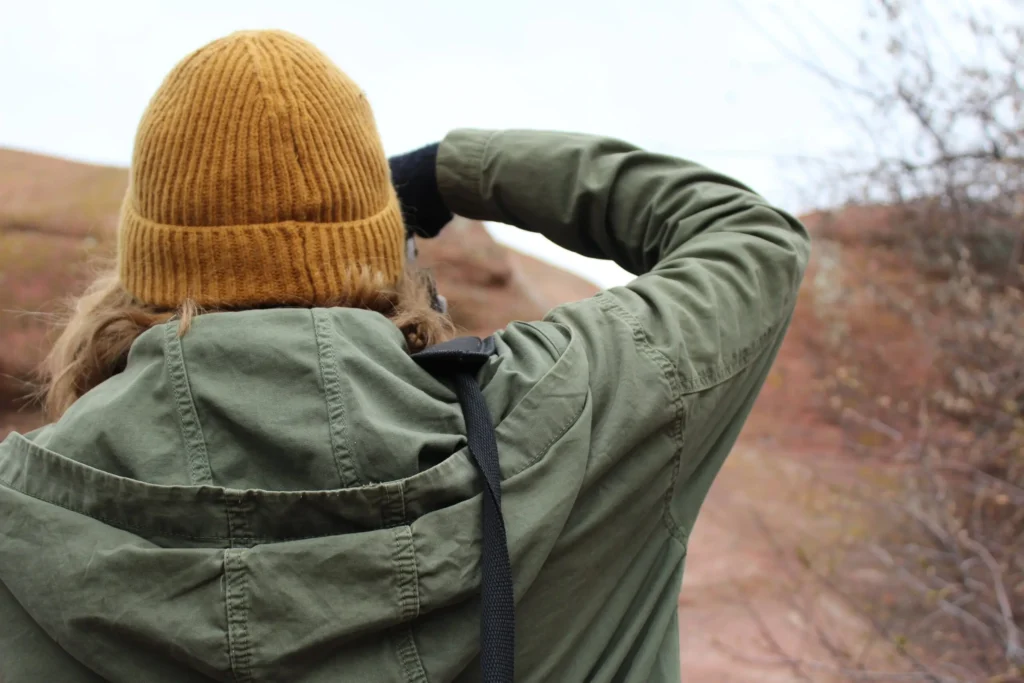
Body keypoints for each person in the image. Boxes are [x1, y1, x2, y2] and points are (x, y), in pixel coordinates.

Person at [0, 29, 810, 683]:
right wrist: (451, 173)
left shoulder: (20, 514)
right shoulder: (569, 417)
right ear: (383, 249)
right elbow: (750, 239)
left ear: (142, 266)